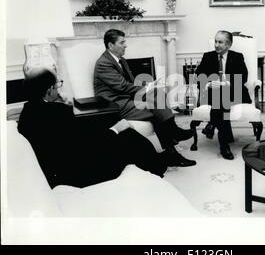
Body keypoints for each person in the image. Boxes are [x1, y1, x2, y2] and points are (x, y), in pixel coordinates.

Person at [18, 67, 170, 189]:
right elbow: (86, 144)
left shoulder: (26, 115)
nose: (58, 89)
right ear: (50, 89)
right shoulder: (58, 112)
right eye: (57, 85)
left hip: (59, 167)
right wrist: (115, 130)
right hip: (77, 173)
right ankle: (157, 168)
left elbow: (70, 136)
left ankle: (156, 163)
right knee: (126, 136)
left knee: (119, 133)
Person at [94, 29, 196, 167]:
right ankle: (173, 146)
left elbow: (131, 83)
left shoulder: (121, 60)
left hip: (126, 98)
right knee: (157, 112)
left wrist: (150, 85)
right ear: (111, 45)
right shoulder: (103, 63)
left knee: (159, 94)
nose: (125, 45)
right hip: (114, 104)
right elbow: (123, 87)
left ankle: (173, 137)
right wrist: (148, 88)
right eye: (122, 42)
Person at [195, 31, 251, 159]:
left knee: (222, 95)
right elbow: (199, 76)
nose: (216, 45)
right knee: (220, 98)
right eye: (215, 41)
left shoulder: (237, 57)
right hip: (214, 93)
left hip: (234, 92)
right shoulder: (208, 56)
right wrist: (209, 83)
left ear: (229, 44)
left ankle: (212, 124)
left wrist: (226, 83)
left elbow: (244, 77)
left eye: (220, 42)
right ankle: (224, 144)